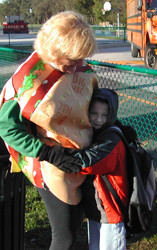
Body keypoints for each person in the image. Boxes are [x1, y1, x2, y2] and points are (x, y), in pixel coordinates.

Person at [0, 11, 98, 250]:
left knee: (74, 223)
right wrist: (47, 153)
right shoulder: (23, 83)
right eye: (72, 60)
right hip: (50, 165)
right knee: (63, 235)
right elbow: (7, 128)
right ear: (55, 50)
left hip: (79, 158)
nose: (78, 67)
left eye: (81, 59)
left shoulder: (75, 64)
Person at [65, 88, 129, 250]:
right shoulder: (94, 134)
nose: (99, 119)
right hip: (97, 209)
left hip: (110, 211)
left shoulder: (111, 140)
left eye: (105, 115)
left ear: (112, 115)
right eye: (93, 113)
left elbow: (88, 163)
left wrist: (55, 155)